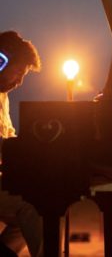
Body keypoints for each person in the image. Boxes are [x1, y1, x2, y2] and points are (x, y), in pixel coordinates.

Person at [0, 31, 42, 256]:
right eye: (18, 72)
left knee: (35, 204)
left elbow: (9, 139)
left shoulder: (2, 98)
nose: (19, 82)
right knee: (34, 207)